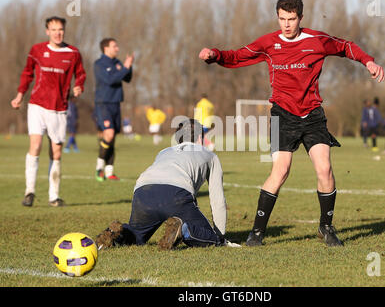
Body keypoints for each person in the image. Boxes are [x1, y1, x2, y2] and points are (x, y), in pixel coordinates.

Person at [199, 0, 384, 247]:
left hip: (312, 115)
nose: (286, 24)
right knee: (281, 170)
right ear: (277, 16)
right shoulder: (268, 43)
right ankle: (257, 233)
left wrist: (368, 61)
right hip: (282, 115)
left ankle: (326, 227)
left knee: (325, 168)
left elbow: (346, 46)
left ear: (301, 18)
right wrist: (215, 55)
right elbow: (238, 56)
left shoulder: (317, 41)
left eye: (291, 19)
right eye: (282, 18)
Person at [95, 119, 240, 250]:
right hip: (176, 195)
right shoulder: (210, 155)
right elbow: (217, 199)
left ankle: (117, 233)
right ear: (201, 138)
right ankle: (183, 229)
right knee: (208, 236)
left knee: (136, 237)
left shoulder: (164, 151)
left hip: (142, 192)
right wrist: (219, 237)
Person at [10, 16, 86, 207]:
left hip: (59, 108)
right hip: (37, 105)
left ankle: (54, 196)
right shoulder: (37, 50)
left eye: (60, 29)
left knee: (57, 152)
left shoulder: (73, 53)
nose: (57, 33)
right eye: (53, 30)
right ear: (47, 31)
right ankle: (29, 192)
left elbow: (81, 74)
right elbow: (27, 74)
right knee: (35, 146)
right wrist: (20, 95)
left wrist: (78, 87)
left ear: (64, 31)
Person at [94, 38, 134, 181]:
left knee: (112, 138)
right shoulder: (99, 64)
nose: (117, 49)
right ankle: (99, 167)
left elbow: (127, 78)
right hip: (103, 103)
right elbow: (110, 80)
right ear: (106, 48)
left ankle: (109, 172)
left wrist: (129, 66)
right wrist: (124, 68)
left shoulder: (117, 63)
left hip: (116, 103)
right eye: (114, 46)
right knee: (108, 134)